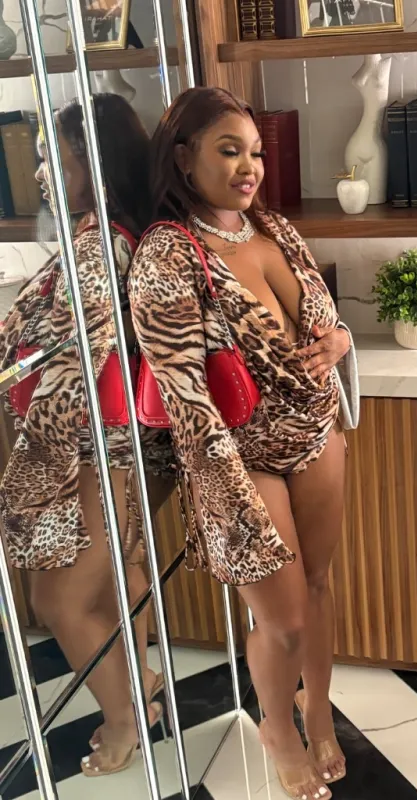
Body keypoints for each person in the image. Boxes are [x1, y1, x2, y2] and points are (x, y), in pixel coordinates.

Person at [130, 87, 357, 800]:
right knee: (282, 619)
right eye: (229, 151)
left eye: (255, 152)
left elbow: (323, 320)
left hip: (315, 432)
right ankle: (277, 728)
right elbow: (183, 393)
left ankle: (317, 710)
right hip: (238, 456)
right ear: (183, 158)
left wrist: (340, 339)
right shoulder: (168, 252)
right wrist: (222, 494)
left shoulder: (274, 228)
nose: (249, 166)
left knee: (318, 586)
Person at [0, 94, 174, 777]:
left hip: (89, 448)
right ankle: (139, 688)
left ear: (92, 165)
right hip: (113, 445)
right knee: (118, 576)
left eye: (57, 159)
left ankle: (125, 719)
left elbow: (72, 358)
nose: (42, 172)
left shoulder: (100, 247)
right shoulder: (116, 233)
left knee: (59, 601)